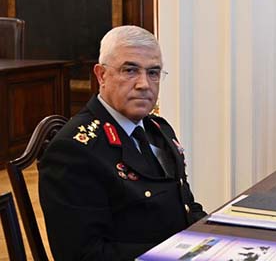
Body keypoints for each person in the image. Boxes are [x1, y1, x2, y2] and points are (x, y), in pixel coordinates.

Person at [39, 25, 207, 260]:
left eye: (153, 72)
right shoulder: (73, 150)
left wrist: (220, 239)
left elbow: (185, 206)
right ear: (101, 75)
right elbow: (84, 255)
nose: (144, 84)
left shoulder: (158, 129)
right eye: (130, 70)